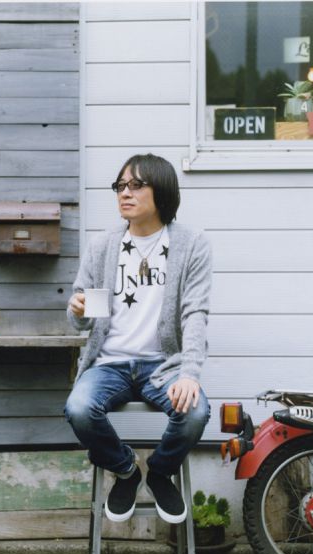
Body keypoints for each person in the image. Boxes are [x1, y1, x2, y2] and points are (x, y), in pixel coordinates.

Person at [65, 153, 211, 525]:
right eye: (120, 186)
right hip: (109, 364)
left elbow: (195, 313)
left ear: (161, 190)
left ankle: (160, 472)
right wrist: (78, 310)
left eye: (135, 185)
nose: (124, 193)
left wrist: (189, 374)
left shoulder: (190, 244)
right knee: (78, 409)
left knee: (195, 413)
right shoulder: (103, 246)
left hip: (163, 366)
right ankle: (126, 470)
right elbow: (83, 319)